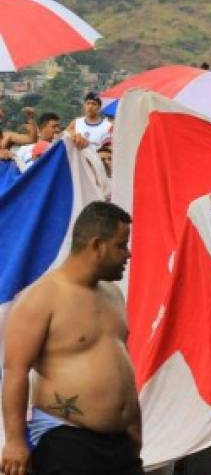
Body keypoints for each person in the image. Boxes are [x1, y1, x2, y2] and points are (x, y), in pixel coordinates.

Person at [1, 201, 142, 475]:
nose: (128, 254)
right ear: (97, 246)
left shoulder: (113, 295)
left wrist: (133, 430)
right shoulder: (41, 297)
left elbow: (119, 365)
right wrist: (15, 440)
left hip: (120, 445)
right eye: (121, 245)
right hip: (66, 440)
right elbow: (15, 371)